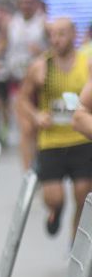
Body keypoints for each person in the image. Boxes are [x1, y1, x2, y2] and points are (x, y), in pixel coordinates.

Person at [18, 17, 92, 239]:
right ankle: (56, 210)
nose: (57, 39)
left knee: (83, 195)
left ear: (73, 35)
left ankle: (74, 244)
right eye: (53, 34)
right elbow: (22, 100)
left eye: (62, 34)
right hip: (51, 140)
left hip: (81, 139)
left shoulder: (86, 64)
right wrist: (36, 115)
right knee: (54, 197)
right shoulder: (40, 67)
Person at [6, 0, 47, 169]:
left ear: (36, 3)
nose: (26, 6)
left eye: (30, 2)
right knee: (26, 128)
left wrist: (41, 53)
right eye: (23, 2)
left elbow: (55, 50)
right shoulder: (11, 23)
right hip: (18, 80)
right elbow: (2, 43)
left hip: (39, 85)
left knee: (36, 128)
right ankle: (27, 172)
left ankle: (38, 163)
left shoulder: (44, 23)